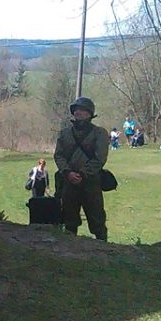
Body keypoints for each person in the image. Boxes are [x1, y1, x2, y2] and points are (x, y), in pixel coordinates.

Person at [54, 96, 110, 241]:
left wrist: (82, 174)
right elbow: (59, 155)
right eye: (76, 110)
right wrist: (67, 172)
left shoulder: (100, 133)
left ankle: (103, 250)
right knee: (69, 220)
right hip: (68, 182)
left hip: (91, 182)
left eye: (82, 110)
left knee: (97, 219)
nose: (78, 113)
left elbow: (100, 158)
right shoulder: (65, 133)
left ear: (90, 113)